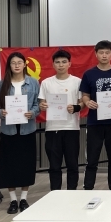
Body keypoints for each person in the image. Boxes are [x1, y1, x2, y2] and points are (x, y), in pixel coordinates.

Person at [0, 52, 40, 214]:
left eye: (19, 62)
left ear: (24, 64)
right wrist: (1, 113)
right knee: (10, 165)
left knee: (26, 164)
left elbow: (38, 104)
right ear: (9, 65)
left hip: (27, 129)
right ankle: (13, 199)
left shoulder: (33, 82)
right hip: (9, 130)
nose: (16, 65)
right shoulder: (2, 84)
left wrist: (32, 112)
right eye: (13, 62)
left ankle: (24, 198)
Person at [80, 40, 111, 191]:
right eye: (101, 52)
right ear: (96, 54)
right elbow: (85, 95)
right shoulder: (89, 74)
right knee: (92, 159)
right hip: (94, 123)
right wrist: (87, 102)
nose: (104, 55)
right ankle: (88, 189)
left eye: (107, 52)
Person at [38, 49, 83, 191]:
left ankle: (72, 193)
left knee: (72, 164)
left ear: (69, 63)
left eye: (64, 62)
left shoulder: (77, 82)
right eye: (57, 62)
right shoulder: (46, 83)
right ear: (53, 65)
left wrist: (76, 107)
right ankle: (55, 193)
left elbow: (82, 102)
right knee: (54, 166)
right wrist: (42, 105)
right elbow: (41, 103)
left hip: (71, 128)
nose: (61, 65)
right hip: (52, 129)